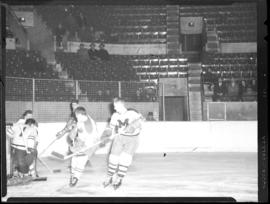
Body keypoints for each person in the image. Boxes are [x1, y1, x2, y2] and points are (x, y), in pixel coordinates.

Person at [100, 97, 144, 189]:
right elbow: (109, 129)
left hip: (132, 139)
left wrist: (133, 126)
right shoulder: (115, 116)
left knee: (125, 159)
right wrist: (104, 136)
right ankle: (109, 177)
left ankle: (119, 178)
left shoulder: (132, 112)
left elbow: (141, 120)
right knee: (113, 158)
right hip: (119, 138)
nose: (114, 108)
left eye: (115, 106)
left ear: (121, 105)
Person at [68, 106, 99, 187]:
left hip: (90, 144)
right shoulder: (81, 120)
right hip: (81, 141)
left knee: (81, 160)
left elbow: (91, 140)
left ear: (81, 115)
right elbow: (73, 134)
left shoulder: (89, 125)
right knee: (74, 159)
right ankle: (73, 175)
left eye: (77, 116)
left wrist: (83, 148)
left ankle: (76, 177)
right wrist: (73, 131)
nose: (76, 118)